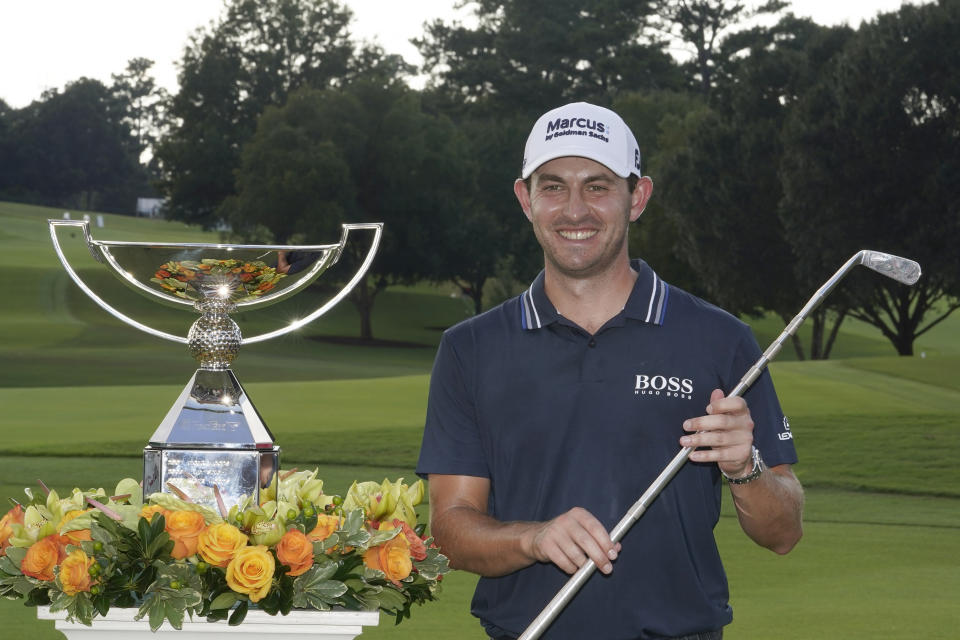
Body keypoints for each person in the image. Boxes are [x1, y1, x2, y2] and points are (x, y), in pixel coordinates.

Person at [416, 102, 804, 640]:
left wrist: (745, 466)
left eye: (598, 187)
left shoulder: (720, 339)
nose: (575, 210)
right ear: (525, 199)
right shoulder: (470, 349)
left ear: (637, 197)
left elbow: (783, 531)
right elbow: (450, 530)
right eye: (553, 187)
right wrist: (533, 538)